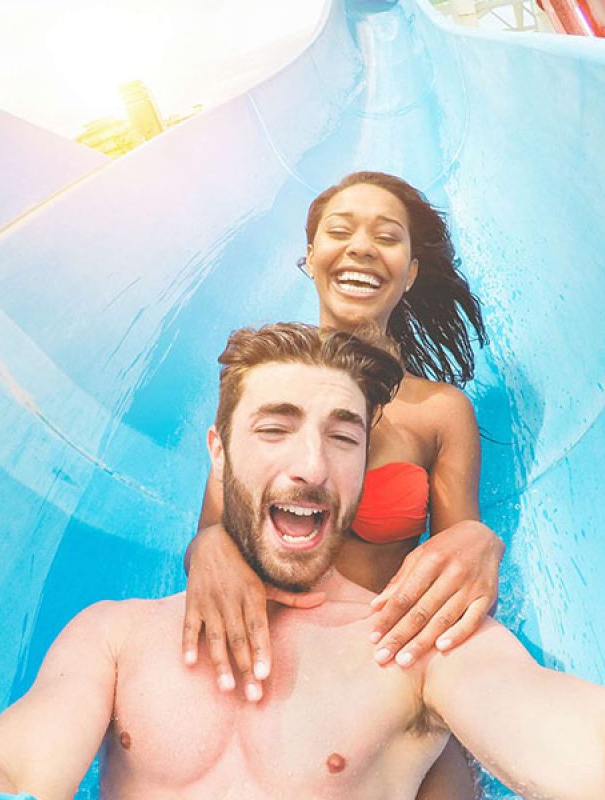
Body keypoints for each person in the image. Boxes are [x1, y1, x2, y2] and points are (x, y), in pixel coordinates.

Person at [0, 323, 605, 800]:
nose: (311, 465)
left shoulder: (417, 645)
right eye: (275, 426)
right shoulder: (116, 637)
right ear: (215, 450)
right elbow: (9, 761)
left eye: (343, 436)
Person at [184, 170, 497, 797]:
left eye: (386, 237)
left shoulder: (440, 413)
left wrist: (481, 543)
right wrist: (209, 550)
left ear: (409, 272)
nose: (360, 247)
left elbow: (458, 557)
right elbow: (213, 535)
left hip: (384, 660)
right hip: (275, 656)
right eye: (340, 231)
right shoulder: (261, 384)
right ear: (309, 258)